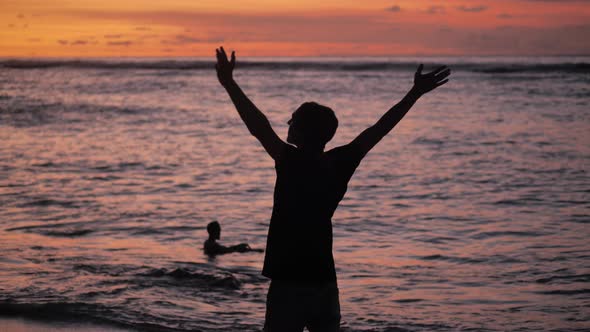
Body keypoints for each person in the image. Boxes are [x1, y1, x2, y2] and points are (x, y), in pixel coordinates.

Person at [215, 46, 450, 332]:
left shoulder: (290, 160)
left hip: (289, 280)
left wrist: (229, 84)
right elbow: (380, 128)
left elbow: (258, 125)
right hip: (325, 280)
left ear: (300, 131)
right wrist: (414, 94)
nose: (287, 123)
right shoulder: (339, 163)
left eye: (293, 120)